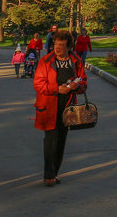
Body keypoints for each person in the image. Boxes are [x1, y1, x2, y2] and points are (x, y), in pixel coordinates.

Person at [33, 29, 87, 187]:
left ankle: (55, 172)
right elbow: (38, 84)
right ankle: (48, 175)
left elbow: (83, 81)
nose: (57, 48)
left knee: (62, 140)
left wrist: (77, 86)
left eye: (61, 45)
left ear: (69, 46)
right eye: (56, 44)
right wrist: (57, 89)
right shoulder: (46, 61)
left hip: (68, 107)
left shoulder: (76, 60)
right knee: (50, 140)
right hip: (49, 106)